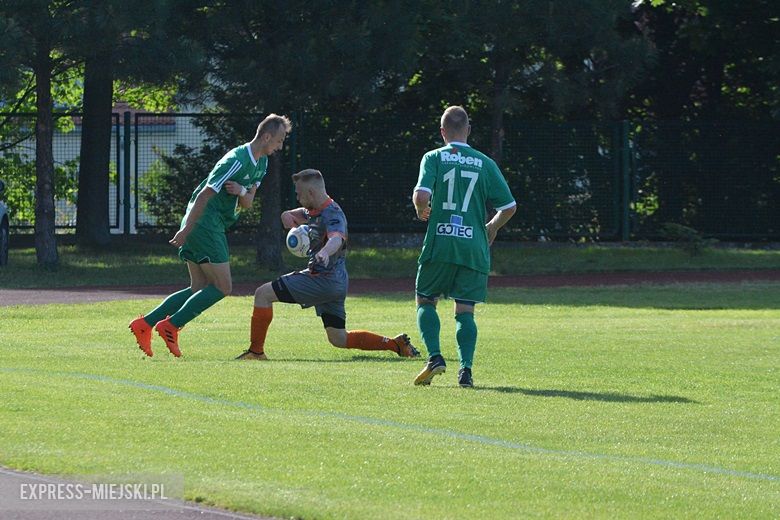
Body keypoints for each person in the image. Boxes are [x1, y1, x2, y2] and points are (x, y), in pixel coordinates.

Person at [129, 114, 293, 357]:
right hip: (205, 224)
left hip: (210, 225)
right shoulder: (235, 160)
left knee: (199, 287)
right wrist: (186, 230)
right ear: (267, 136)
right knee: (223, 287)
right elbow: (205, 195)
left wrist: (241, 190)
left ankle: (145, 324)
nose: (279, 146)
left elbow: (247, 203)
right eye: (279, 141)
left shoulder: (262, 164)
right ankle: (171, 325)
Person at [235, 168, 420, 361]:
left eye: (299, 194)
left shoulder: (333, 214)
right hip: (335, 281)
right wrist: (287, 216)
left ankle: (256, 352)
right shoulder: (315, 209)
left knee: (262, 294)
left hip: (322, 279)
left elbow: (337, 239)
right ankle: (396, 345)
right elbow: (298, 214)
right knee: (338, 338)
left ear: (311, 193)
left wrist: (324, 251)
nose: (297, 197)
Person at [411, 106, 517, 387]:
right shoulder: (485, 162)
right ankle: (466, 371)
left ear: (442, 132)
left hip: (441, 243)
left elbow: (422, 194)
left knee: (425, 299)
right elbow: (509, 206)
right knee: (465, 310)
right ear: (468, 130)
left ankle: (435, 357)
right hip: (473, 246)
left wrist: (422, 208)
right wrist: (491, 227)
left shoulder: (433, 157)